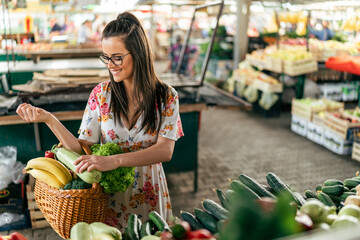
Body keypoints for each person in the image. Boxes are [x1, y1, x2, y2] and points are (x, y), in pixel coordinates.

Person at [16, 11, 184, 231]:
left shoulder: (166, 96)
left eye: (117, 57)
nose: (110, 64)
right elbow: (81, 148)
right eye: (106, 57)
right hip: (109, 196)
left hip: (149, 192)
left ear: (138, 53)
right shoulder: (101, 95)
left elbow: (165, 151)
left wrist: (114, 160)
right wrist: (49, 119)